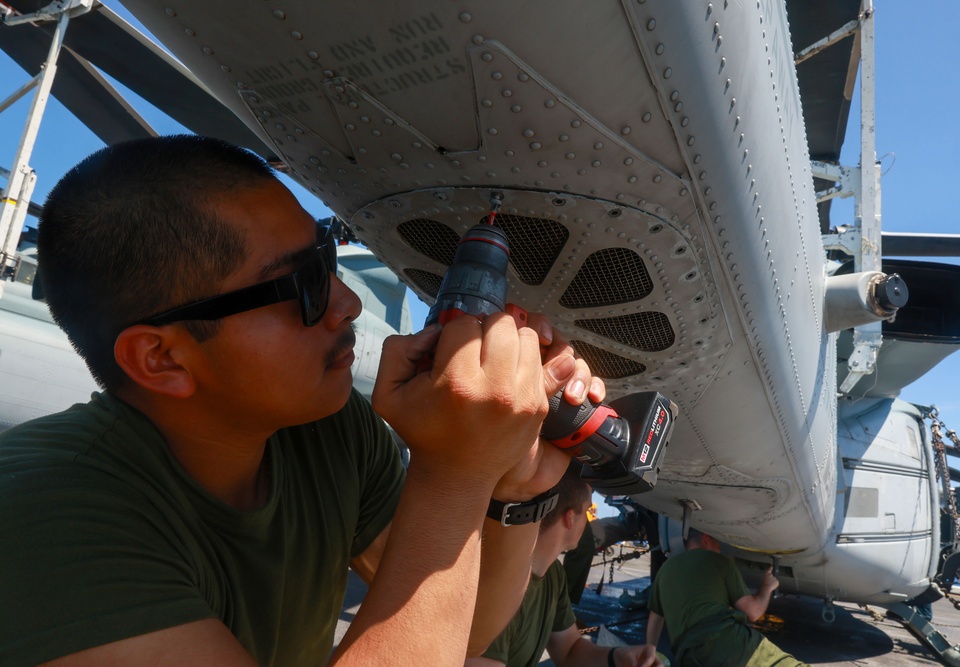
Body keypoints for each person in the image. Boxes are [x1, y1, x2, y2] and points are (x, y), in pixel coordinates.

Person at [0, 135, 606, 666]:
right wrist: (454, 475)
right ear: (162, 358)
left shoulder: (327, 430)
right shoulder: (38, 512)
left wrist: (510, 491)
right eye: (303, 284)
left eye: (327, 260)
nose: (348, 303)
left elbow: (463, 630)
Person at [467, 468, 663, 667]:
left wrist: (619, 657)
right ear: (570, 518)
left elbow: (570, 650)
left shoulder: (553, 574)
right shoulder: (498, 585)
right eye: (586, 511)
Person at [646, 529, 810, 667]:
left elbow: (655, 617)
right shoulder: (718, 560)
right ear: (706, 538)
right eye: (717, 542)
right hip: (727, 644)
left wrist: (650, 651)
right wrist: (767, 587)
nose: (719, 548)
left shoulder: (665, 569)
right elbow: (753, 612)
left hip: (687, 656)